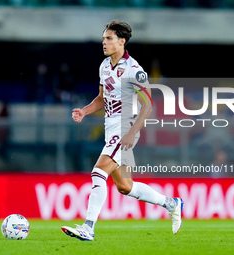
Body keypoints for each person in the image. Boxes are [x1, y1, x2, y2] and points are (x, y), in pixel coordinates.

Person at [61, 20, 183, 241]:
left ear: (122, 42)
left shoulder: (135, 70)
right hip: (111, 128)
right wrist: (85, 112)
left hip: (126, 127)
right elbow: (101, 98)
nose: (104, 42)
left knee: (99, 171)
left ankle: (88, 227)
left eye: (108, 38)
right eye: (103, 38)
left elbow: (148, 105)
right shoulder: (104, 66)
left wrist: (130, 133)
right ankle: (172, 204)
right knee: (125, 186)